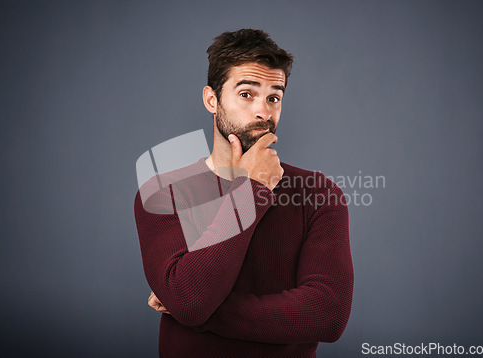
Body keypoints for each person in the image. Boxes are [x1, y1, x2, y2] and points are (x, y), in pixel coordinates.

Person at [134, 28, 354, 358]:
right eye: (247, 94)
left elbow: (328, 316)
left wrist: (195, 309)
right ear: (212, 99)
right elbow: (191, 301)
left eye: (274, 97)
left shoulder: (319, 194)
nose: (263, 112)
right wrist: (255, 189)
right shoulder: (163, 194)